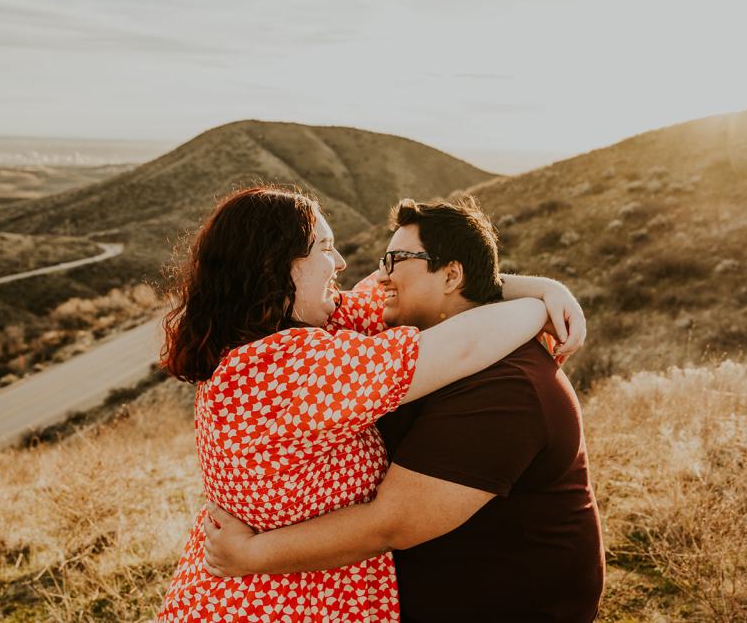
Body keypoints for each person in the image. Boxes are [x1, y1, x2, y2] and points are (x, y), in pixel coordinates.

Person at [157, 187, 585, 622]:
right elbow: (460, 344)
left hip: (248, 593)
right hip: (280, 603)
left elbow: (405, 291)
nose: (342, 262)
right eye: (325, 248)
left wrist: (538, 287)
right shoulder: (288, 365)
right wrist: (539, 306)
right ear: (277, 266)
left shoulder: (275, 335)